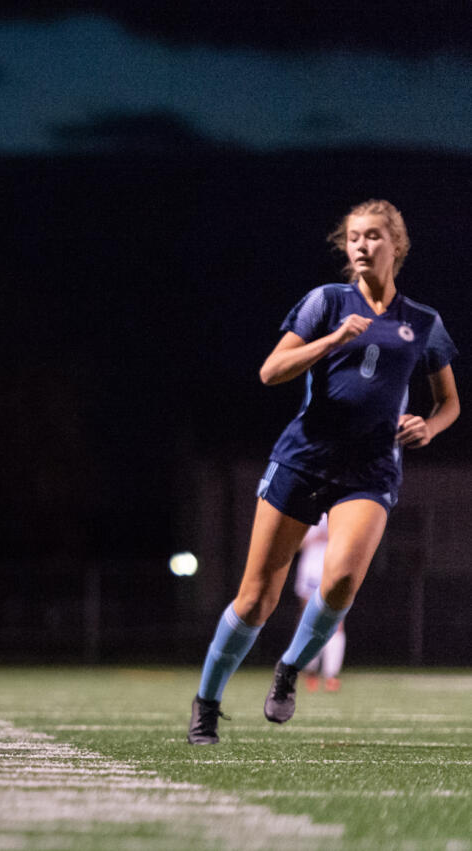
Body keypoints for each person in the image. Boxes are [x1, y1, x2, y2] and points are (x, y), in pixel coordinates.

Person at [187, 199, 459, 745]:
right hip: (304, 459)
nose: (361, 245)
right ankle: (208, 701)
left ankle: (290, 669)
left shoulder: (422, 322)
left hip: (371, 470)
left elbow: (449, 402)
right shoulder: (326, 302)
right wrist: (332, 340)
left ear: (396, 246)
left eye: (374, 236)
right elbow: (270, 372)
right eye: (354, 236)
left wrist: (430, 426)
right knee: (256, 598)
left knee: (339, 583)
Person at [293, 514, 345, 692]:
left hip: (334, 567)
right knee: (310, 620)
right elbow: (293, 542)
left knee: (336, 621)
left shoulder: (342, 508)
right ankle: (310, 671)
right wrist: (312, 538)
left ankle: (331, 675)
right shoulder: (309, 506)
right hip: (311, 569)